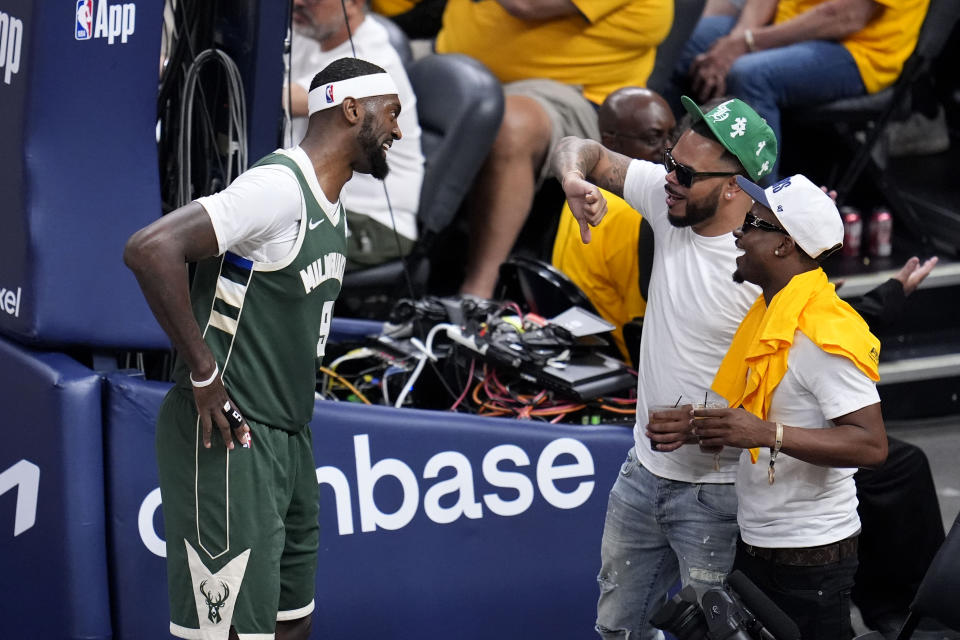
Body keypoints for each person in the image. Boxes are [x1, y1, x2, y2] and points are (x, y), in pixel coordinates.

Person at [124, 58, 403, 640]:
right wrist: (203, 374)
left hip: (289, 435)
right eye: (392, 113)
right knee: (229, 633)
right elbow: (151, 249)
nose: (398, 131)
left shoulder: (335, 203)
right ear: (352, 110)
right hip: (230, 433)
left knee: (289, 622)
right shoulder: (277, 188)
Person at [695, 173, 888, 639]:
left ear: (784, 246)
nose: (738, 233)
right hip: (758, 545)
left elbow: (871, 445)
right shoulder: (769, 312)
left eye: (752, 223)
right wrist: (700, 426)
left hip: (810, 562)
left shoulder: (823, 332)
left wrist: (765, 434)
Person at [435, 0, 673, 299]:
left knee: (513, 125)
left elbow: (526, 4)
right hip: (453, 62)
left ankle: (477, 293)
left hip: (574, 90)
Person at [671, 0, 929, 172]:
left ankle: (761, 212)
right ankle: (672, 169)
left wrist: (747, 44)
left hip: (857, 50)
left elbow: (846, 16)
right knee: (683, 43)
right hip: (786, 26)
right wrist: (738, 38)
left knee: (751, 74)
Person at [288, 0, 424, 271]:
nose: (298, 3)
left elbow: (293, 99)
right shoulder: (307, 35)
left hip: (375, 221)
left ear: (352, 3)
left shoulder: (372, 55)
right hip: (317, 203)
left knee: (265, 248)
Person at [551, 87, 676, 359]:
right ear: (611, 142)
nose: (668, 149)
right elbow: (643, 323)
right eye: (654, 138)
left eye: (671, 136)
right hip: (622, 359)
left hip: (580, 343)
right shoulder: (641, 211)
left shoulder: (580, 191)